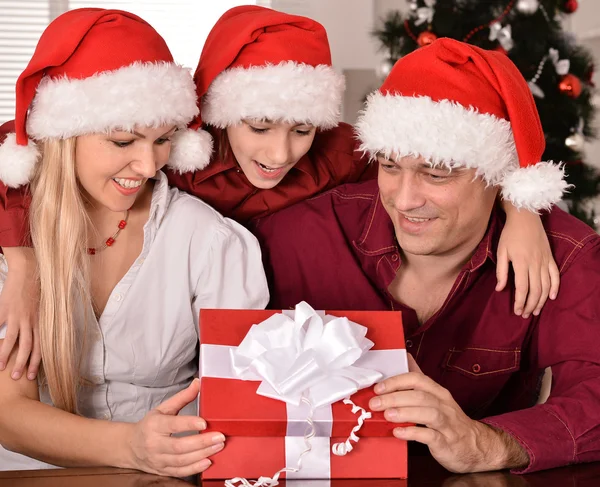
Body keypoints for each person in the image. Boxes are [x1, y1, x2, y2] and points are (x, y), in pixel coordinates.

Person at [0, 5, 563, 382]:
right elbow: (27, 149)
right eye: (260, 126)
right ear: (221, 115)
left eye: (301, 129)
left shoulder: (340, 153)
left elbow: (449, 160)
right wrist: (23, 264)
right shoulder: (177, 147)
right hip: (184, 333)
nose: (280, 152)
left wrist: (522, 210)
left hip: (289, 331)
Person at [253, 38, 599, 474]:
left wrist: (488, 444)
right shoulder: (297, 237)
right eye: (390, 166)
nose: (404, 199)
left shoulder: (565, 255)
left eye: (436, 174)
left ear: (499, 176)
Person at [0, 8, 268, 474]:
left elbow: (243, 393)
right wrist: (131, 447)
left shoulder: (207, 239)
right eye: (124, 141)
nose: (148, 166)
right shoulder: (16, 246)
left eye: (164, 140)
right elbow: (9, 413)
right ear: (64, 135)